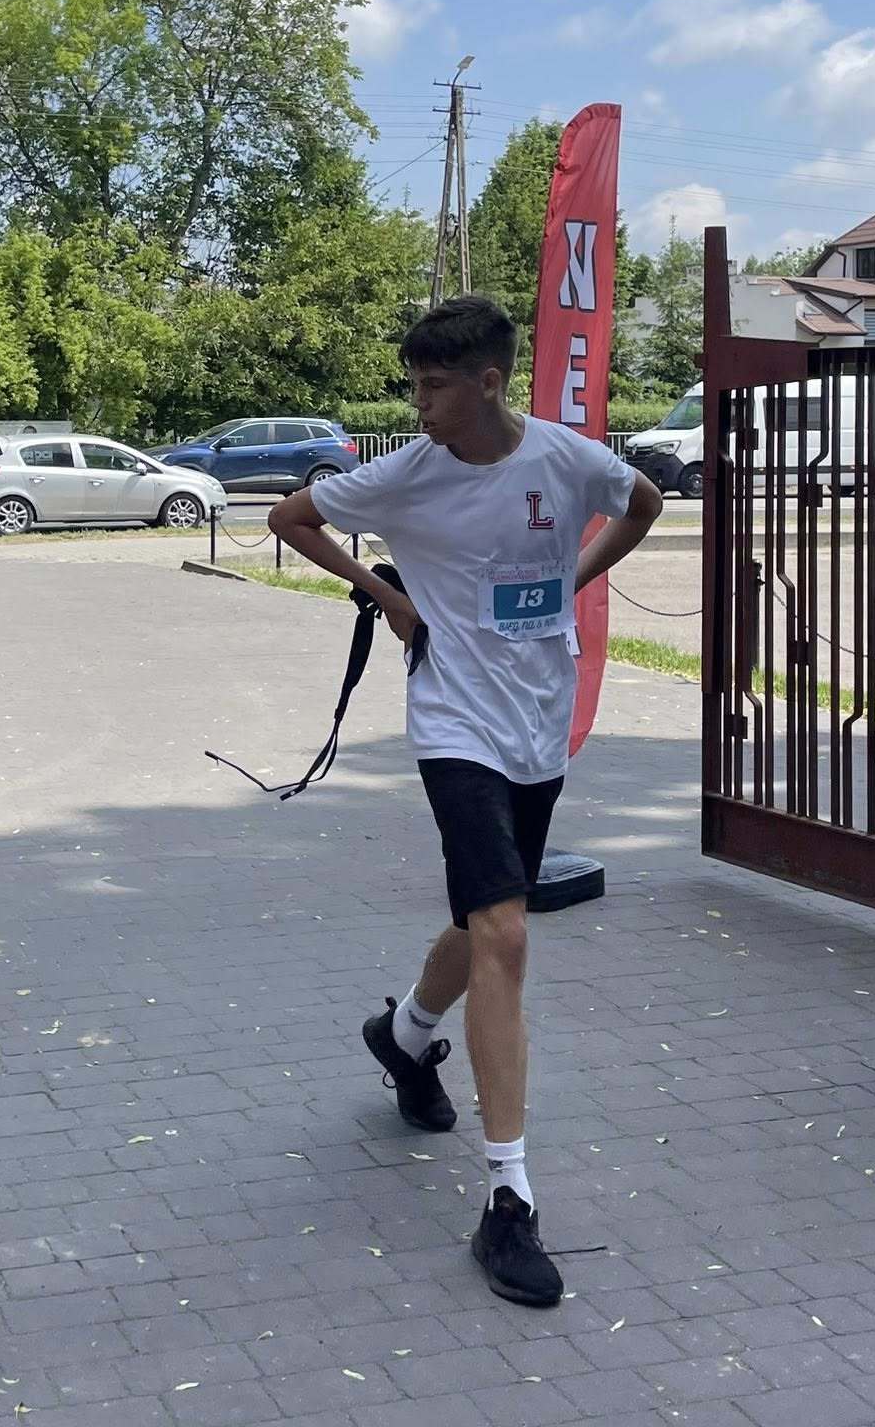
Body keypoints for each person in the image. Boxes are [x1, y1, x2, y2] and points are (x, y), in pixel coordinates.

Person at [268, 295, 661, 1307]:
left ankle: (403, 1034)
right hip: (452, 723)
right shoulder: (407, 472)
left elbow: (645, 501)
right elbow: (290, 517)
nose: (420, 404)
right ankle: (508, 1197)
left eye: (434, 386)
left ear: (489, 382)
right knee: (506, 933)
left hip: (538, 720)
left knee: (488, 916)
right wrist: (391, 599)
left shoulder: (566, 459)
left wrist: (576, 575)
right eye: (414, 385)